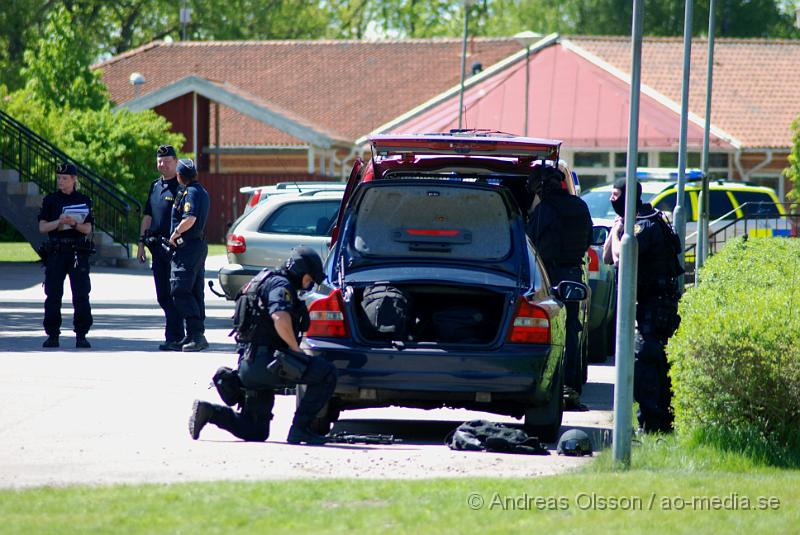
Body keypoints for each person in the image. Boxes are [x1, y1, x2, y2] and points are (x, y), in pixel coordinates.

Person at [188, 246, 337, 445]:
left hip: (249, 366)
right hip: (267, 363)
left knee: (255, 431)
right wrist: (296, 350)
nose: (308, 287)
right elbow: (280, 316)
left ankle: (210, 412)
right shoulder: (280, 286)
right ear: (299, 271)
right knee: (326, 373)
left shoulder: (262, 280)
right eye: (309, 280)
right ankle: (301, 429)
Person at [603, 177, 683, 433]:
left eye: (615, 195)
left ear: (628, 198)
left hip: (654, 306)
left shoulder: (645, 226)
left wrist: (619, 233)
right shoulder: (638, 221)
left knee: (645, 364)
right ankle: (652, 422)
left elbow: (620, 257)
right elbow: (607, 255)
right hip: (649, 305)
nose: (611, 200)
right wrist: (618, 228)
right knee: (648, 363)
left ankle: (654, 423)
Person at [526, 164, 593, 411]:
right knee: (570, 332)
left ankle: (549, 384)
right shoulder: (580, 206)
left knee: (546, 331)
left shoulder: (544, 211)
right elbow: (587, 240)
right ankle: (570, 389)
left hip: (547, 276)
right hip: (573, 274)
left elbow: (530, 246)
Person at [37, 162, 94, 348]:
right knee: (53, 294)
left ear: (74, 179)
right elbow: (42, 227)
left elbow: (87, 229)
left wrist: (74, 224)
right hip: (56, 252)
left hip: (77, 252)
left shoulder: (84, 200)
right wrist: (59, 223)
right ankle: (52, 334)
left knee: (81, 294)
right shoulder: (51, 200)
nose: (61, 181)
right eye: (59, 178)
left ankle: (81, 334)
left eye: (65, 178)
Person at [137, 145, 184, 350]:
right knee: (163, 295)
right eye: (159, 161)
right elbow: (147, 216)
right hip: (157, 248)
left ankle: (175, 337)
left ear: (176, 161)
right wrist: (140, 245)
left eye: (166, 161)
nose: (162, 164)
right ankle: (174, 336)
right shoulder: (155, 186)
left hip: (175, 249)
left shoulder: (183, 187)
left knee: (175, 294)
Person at [170, 158, 210, 351]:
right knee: (194, 290)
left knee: (180, 289)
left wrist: (175, 233)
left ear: (179, 175)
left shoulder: (192, 192)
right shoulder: (200, 190)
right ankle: (193, 334)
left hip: (189, 247)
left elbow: (190, 218)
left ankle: (196, 334)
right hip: (195, 246)